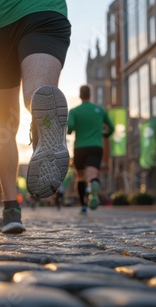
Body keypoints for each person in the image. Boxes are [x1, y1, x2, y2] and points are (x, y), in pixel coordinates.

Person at [0, 1, 71, 233]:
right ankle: (42, 120)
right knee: (37, 92)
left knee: (4, 125)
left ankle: (11, 209)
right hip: (43, 10)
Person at [67, 85, 115, 215]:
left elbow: (69, 128)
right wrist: (104, 135)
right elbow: (111, 128)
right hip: (96, 147)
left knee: (81, 177)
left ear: (80, 95)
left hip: (80, 148)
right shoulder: (100, 110)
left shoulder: (74, 111)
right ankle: (94, 184)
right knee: (92, 175)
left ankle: (83, 206)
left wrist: (71, 129)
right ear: (90, 95)